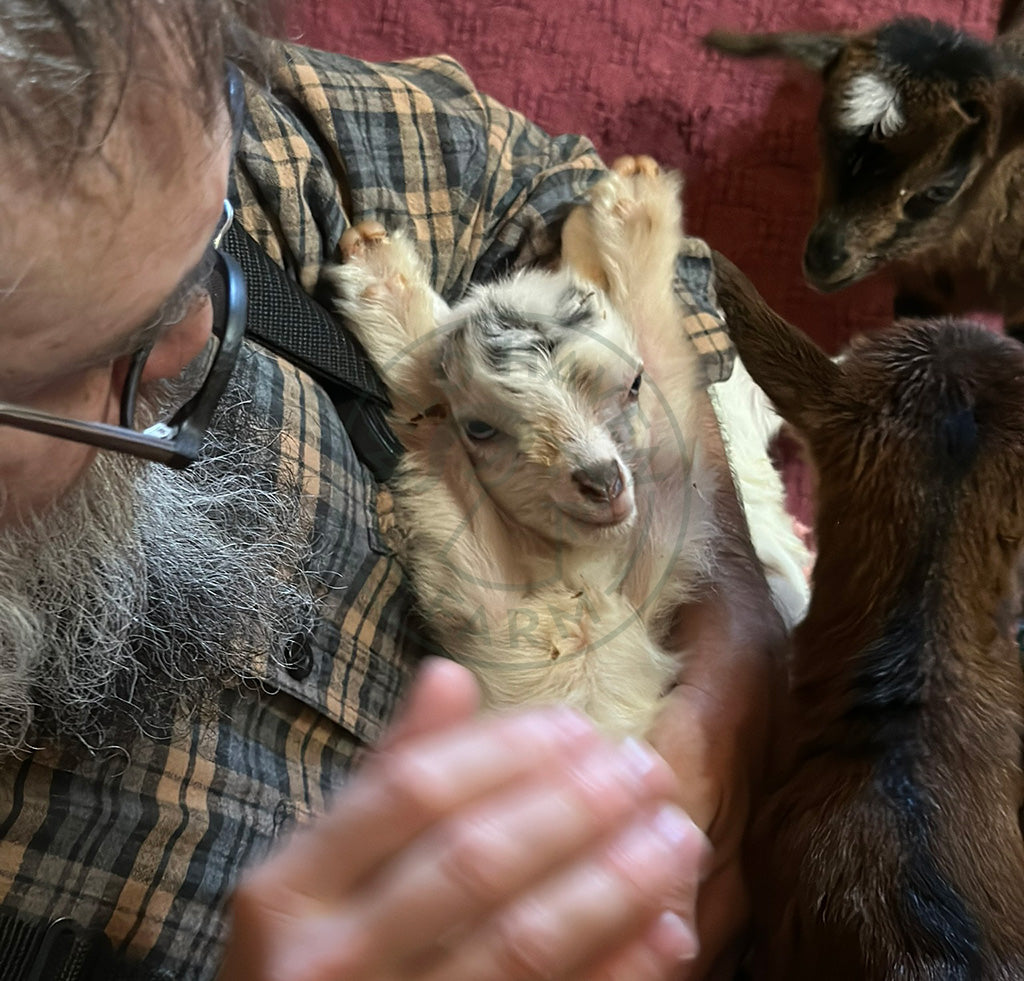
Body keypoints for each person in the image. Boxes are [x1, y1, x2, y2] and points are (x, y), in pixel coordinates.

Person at [0, 2, 785, 979]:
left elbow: (546, 190)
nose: (204, 336)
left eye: (211, 245)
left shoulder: (143, 86)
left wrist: (734, 657)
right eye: (103, 352)